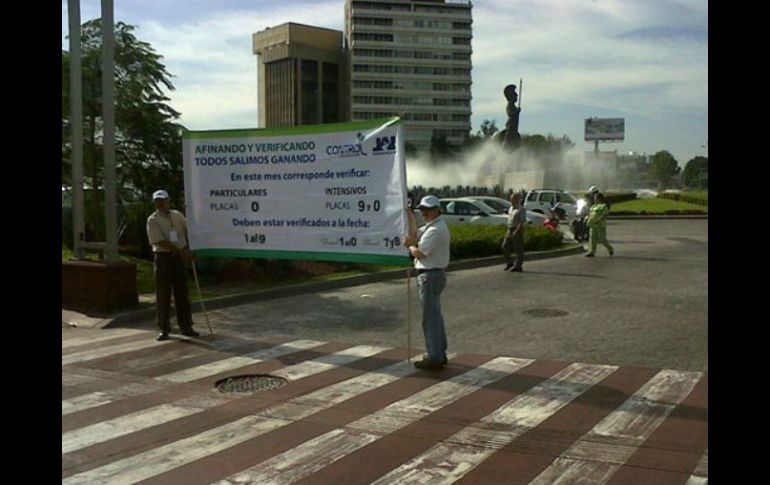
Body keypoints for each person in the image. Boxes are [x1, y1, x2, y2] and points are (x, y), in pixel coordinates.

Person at [146, 190, 199, 340]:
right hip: (163, 258)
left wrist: (190, 249)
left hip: (179, 257)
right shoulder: (153, 219)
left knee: (182, 293)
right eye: (157, 201)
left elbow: (188, 230)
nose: (160, 203)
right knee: (163, 294)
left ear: (168, 200)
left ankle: (186, 326)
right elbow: (159, 241)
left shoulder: (177, 215)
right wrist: (179, 251)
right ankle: (164, 328)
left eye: (163, 200)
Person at [405, 195, 450, 369]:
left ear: (437, 210)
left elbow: (420, 253)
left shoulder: (435, 230)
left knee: (430, 318)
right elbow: (416, 232)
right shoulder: (435, 226)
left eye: (428, 209)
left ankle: (435, 356)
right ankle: (439, 352)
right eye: (422, 209)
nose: (425, 212)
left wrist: (410, 245)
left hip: (430, 275)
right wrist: (409, 214)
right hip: (433, 275)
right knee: (434, 317)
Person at [501, 192, 526, 272]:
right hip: (509, 229)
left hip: (517, 229)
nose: (511, 200)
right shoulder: (511, 208)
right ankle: (509, 263)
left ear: (517, 199)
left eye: (513, 199)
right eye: (511, 199)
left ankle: (518, 266)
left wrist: (516, 231)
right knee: (504, 246)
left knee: (518, 249)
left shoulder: (521, 209)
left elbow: (521, 222)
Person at [585, 192, 614, 258]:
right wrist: (588, 218)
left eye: (595, 198)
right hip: (593, 225)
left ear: (599, 198)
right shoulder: (594, 206)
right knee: (592, 239)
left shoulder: (604, 206)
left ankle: (610, 249)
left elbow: (605, 215)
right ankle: (591, 252)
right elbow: (590, 213)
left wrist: (599, 219)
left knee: (602, 239)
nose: (594, 199)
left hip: (600, 225)